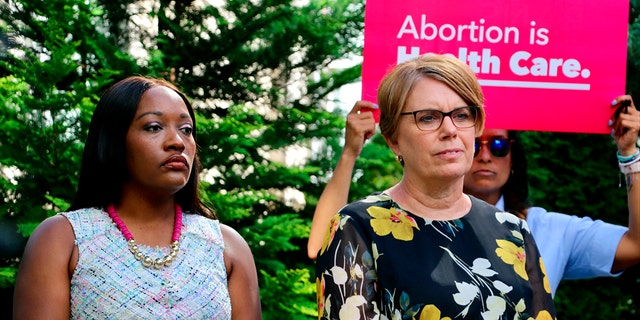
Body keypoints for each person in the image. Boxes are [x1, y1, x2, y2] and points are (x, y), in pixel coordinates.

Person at [308, 95, 640, 298]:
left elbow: (635, 246)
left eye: (498, 146)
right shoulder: (392, 222)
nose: (484, 156)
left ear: (514, 157)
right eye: (476, 142)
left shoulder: (542, 230)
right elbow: (324, 244)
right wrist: (351, 152)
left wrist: (630, 155)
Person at [315, 54, 556, 319]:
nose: (450, 129)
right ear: (393, 140)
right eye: (428, 118)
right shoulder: (357, 228)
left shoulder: (513, 230)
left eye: (462, 115)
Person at [13, 76, 262, 319]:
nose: (178, 142)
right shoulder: (63, 239)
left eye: (186, 130)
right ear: (114, 141)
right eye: (154, 127)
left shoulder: (226, 247)